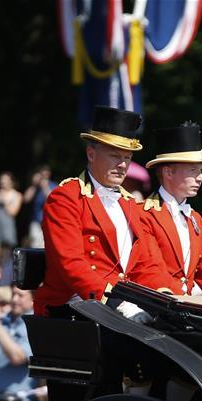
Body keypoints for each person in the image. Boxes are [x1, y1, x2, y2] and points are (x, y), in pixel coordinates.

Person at [34, 106, 169, 317]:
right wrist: (115, 302)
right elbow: (71, 264)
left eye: (128, 157)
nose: (123, 165)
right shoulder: (66, 197)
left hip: (123, 305)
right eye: (115, 155)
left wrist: (164, 296)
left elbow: (146, 262)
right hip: (76, 307)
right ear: (91, 154)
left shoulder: (130, 203)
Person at [139, 122, 202, 296]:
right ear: (168, 173)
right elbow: (152, 269)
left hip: (181, 310)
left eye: (201, 171)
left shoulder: (195, 218)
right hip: (155, 306)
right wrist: (185, 304)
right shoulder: (144, 214)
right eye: (193, 170)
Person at [23, 165, 57, 248]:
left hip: (50, 221)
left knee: (48, 245)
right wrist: (34, 185)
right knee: (35, 245)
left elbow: (51, 198)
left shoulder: (53, 185)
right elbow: (26, 199)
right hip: (36, 221)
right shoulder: (35, 187)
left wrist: (44, 186)